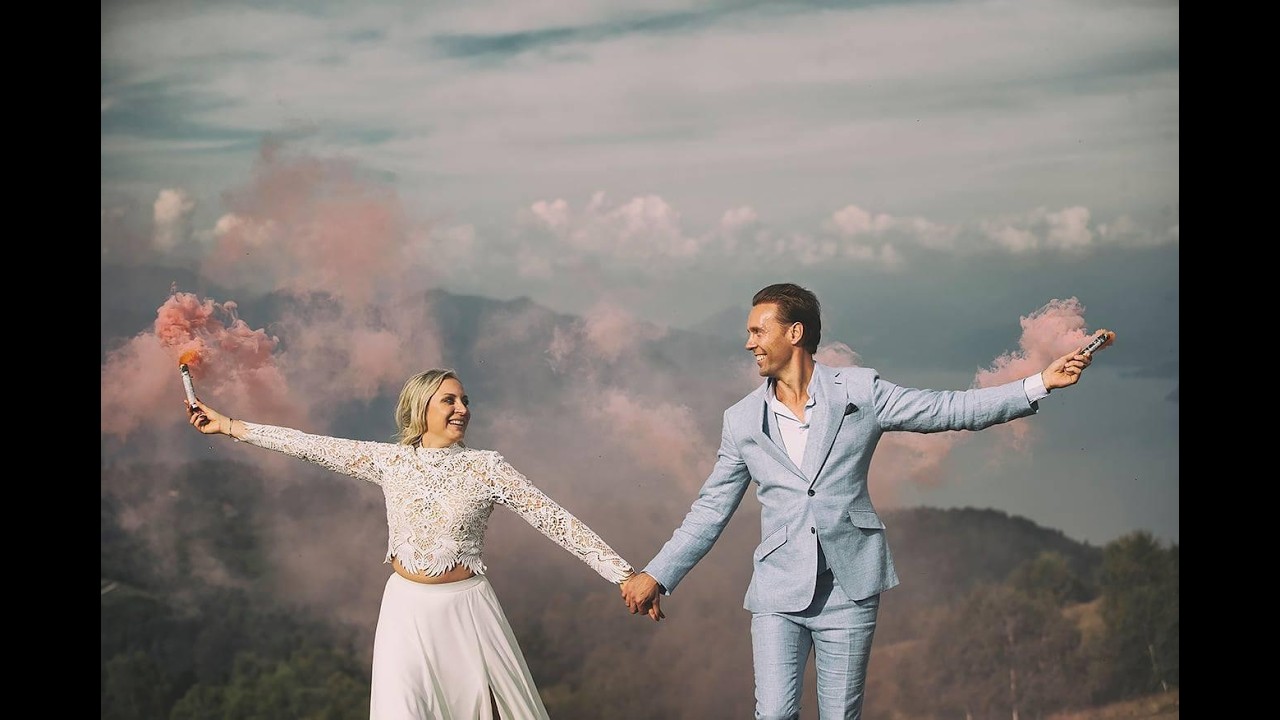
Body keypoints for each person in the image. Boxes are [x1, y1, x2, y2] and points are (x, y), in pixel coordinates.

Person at [620, 282, 1114, 720]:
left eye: (757, 331)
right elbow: (711, 508)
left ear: (795, 333)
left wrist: (1040, 383)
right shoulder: (742, 421)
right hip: (777, 594)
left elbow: (948, 409)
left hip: (849, 589)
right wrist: (659, 573)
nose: (748, 343)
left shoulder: (860, 392)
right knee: (773, 713)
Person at [186, 368, 654, 720]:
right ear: (421, 408)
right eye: (449, 399)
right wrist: (228, 425)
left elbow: (556, 521)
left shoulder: (488, 467)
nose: (462, 409)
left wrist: (624, 573)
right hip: (404, 612)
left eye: (466, 400)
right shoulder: (390, 461)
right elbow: (311, 445)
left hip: (467, 611)